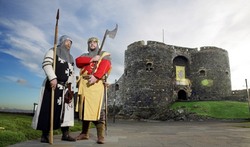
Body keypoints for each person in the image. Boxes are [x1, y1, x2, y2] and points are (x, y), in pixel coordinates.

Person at [32, 35, 76, 143]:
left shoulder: (71, 58)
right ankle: (45, 135)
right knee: (49, 109)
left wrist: (72, 87)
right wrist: (52, 78)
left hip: (66, 88)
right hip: (53, 85)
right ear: (61, 42)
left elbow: (72, 73)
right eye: (67, 41)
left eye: (70, 42)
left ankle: (65, 134)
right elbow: (47, 64)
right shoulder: (53, 50)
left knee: (66, 112)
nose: (69, 44)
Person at [75, 37, 111, 144]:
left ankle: (100, 136)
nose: (92, 43)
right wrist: (92, 59)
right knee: (85, 108)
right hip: (85, 85)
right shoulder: (85, 55)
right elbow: (78, 62)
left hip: (97, 84)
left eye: (94, 42)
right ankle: (84, 133)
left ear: (98, 44)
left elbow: (106, 65)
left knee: (98, 109)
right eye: (90, 42)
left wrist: (96, 76)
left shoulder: (104, 54)